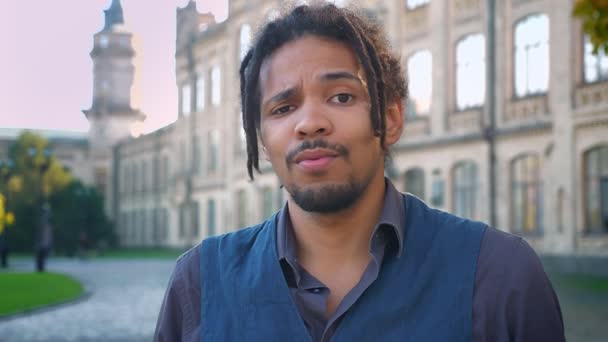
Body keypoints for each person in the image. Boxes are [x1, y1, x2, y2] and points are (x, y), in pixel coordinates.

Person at [155, 3, 565, 341]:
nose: (310, 122)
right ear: (262, 141)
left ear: (391, 117)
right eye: (283, 108)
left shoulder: (501, 279)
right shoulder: (198, 286)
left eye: (341, 96)